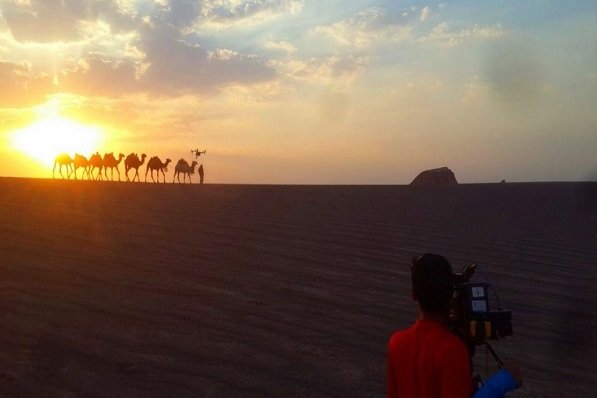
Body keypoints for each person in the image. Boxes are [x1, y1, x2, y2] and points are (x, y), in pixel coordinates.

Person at [387, 253, 522, 398]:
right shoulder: (453, 350)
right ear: (450, 295)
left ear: (414, 294)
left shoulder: (396, 344)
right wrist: (503, 380)